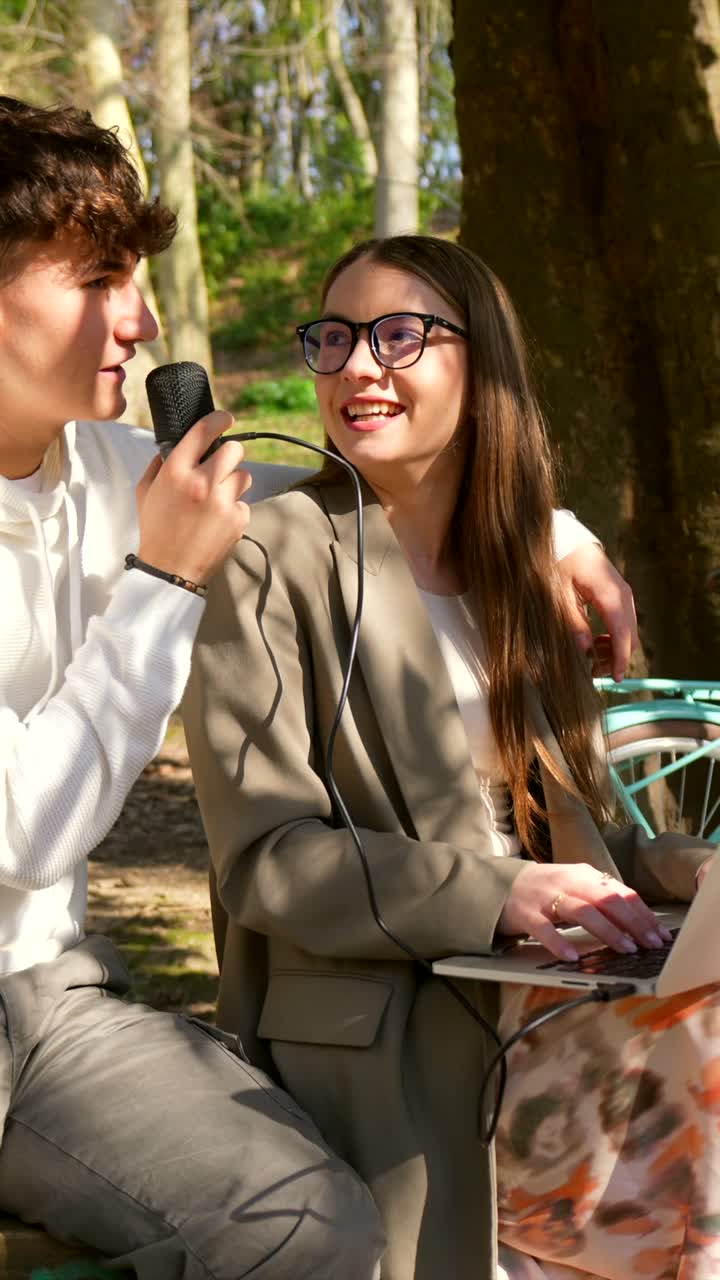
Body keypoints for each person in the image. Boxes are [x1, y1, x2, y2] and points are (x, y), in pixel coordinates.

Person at [183, 234, 718, 1280]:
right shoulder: (267, 551)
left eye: (399, 335)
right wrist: (506, 893)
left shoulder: (525, 573)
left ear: (485, 367)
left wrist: (689, 876)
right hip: (399, 1030)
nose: (355, 367)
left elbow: (590, 837)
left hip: (566, 1008)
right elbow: (270, 857)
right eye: (334, 338)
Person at [0, 96, 388, 1279]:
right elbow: (26, 828)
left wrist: (556, 535)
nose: (145, 318)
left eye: (140, 274)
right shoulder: (146, 513)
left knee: (307, 1221)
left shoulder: (111, 466)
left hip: (43, 1000)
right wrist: (163, 576)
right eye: (101, 277)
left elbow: (335, 514)